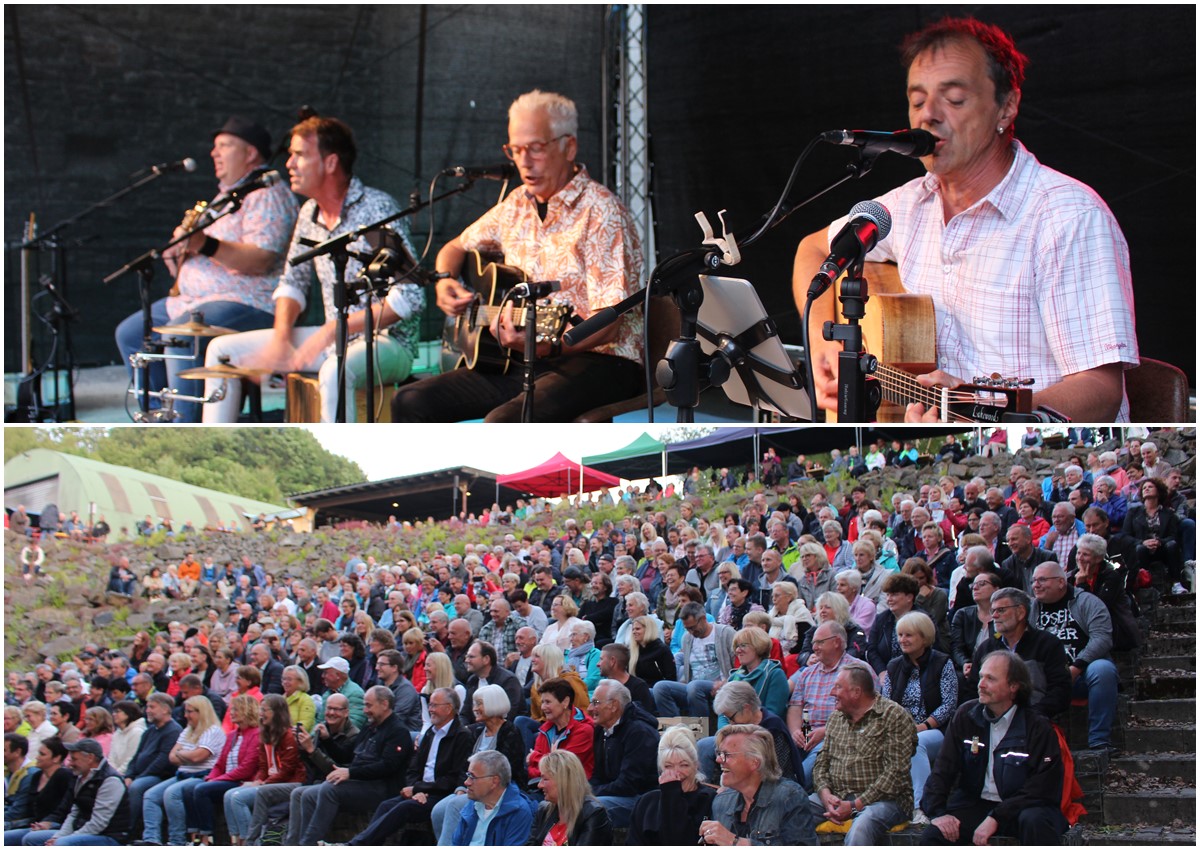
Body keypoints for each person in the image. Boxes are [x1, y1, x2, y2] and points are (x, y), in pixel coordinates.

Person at [793, 16, 1137, 422]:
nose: (929, 116)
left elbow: (1099, 391)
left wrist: (987, 414)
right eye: (917, 101)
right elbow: (813, 249)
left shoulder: (1068, 218)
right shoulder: (909, 205)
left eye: (954, 100)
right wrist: (824, 346)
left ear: (1006, 107)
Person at [392, 88, 644, 422]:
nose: (524, 161)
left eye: (536, 149)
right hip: (521, 358)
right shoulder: (515, 205)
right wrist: (444, 281)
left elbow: (608, 324)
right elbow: (455, 247)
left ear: (569, 147)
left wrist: (547, 347)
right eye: (515, 150)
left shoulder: (602, 213)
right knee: (409, 400)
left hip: (601, 360)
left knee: (504, 422)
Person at [203, 115, 423, 423]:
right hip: (334, 338)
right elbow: (293, 280)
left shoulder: (375, 208)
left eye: (300, 155)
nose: (289, 164)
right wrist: (281, 340)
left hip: (388, 342)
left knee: (335, 369)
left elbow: (411, 297)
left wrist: (331, 330)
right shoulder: (309, 212)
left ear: (331, 162)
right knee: (220, 351)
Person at [114, 116, 298, 422]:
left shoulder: (267, 194)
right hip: (191, 301)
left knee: (181, 336)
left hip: (248, 300)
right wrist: (178, 256)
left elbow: (261, 259)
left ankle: (188, 422)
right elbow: (195, 258)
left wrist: (204, 244)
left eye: (224, 146)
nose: (214, 153)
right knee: (131, 334)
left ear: (251, 153)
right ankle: (161, 418)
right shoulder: (224, 198)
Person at [919, 651, 1067, 845]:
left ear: (1013, 686)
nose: (981, 684)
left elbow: (1042, 787)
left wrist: (997, 816)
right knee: (935, 835)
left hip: (1022, 806)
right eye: (981, 677)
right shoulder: (966, 715)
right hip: (975, 802)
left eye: (990, 679)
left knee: (1036, 822)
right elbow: (943, 769)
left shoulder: (1037, 726)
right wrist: (937, 813)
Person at [341, 687, 470, 846]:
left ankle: (354, 846)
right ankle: (362, 844)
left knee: (404, 808)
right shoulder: (431, 732)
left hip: (441, 794)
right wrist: (415, 788)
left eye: (434, 705)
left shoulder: (462, 736)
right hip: (420, 790)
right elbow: (413, 768)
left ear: (449, 708)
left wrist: (421, 790)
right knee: (386, 805)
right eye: (430, 705)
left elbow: (453, 777)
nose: (430, 710)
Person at [808, 665, 916, 845]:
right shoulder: (836, 717)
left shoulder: (893, 716)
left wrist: (854, 805)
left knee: (861, 827)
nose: (832, 693)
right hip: (837, 795)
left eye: (838, 687)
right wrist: (825, 795)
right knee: (793, 812)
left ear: (856, 692)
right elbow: (821, 762)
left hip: (885, 801)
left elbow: (896, 773)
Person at [294, 685, 415, 844]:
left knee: (329, 789)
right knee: (305, 794)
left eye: (368, 705)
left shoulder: (398, 731)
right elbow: (346, 755)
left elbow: (388, 767)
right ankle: (298, 843)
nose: (365, 710)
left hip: (381, 787)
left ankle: (308, 844)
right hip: (359, 782)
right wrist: (327, 740)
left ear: (384, 704)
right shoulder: (370, 727)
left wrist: (350, 773)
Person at [1028, 562, 1119, 751]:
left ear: (1061, 582)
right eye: (1034, 580)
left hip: (1082, 675)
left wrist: (1076, 667)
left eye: (1042, 580)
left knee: (1102, 669)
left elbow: (1102, 638)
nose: (1036, 585)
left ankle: (1099, 741)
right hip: (1046, 677)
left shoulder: (1087, 602)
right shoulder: (1031, 608)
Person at [879, 612, 958, 822]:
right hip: (900, 729)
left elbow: (949, 704)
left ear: (924, 637)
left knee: (916, 743)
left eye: (909, 635)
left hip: (936, 730)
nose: (902, 640)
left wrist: (922, 726)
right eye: (900, 635)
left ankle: (921, 807)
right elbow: (885, 703)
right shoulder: (894, 666)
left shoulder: (942, 663)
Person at [430, 683, 528, 844]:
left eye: (479, 703)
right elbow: (464, 767)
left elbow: (506, 771)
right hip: (473, 786)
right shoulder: (475, 731)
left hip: (499, 789)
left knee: (454, 806)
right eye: (475, 703)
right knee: (438, 811)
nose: (474, 708)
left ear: (493, 703)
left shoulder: (510, 732)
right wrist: (462, 788)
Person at [701, 723, 816, 846]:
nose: (718, 760)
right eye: (719, 754)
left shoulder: (789, 797)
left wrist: (735, 842)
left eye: (726, 755)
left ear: (754, 762)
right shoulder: (721, 802)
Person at [968, 588, 1071, 720]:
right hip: (992, 722)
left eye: (1001, 610)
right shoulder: (986, 648)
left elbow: (1060, 691)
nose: (994, 616)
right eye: (992, 611)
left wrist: (1032, 715)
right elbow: (972, 690)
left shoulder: (1048, 644)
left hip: (1036, 721)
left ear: (1021, 612)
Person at [139, 695, 225, 846]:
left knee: (172, 794)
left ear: (201, 712)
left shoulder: (213, 731)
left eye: (190, 712)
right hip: (182, 774)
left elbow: (198, 757)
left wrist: (182, 754)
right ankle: (151, 839)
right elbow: (171, 757)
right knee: (151, 795)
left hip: (202, 775)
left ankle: (176, 840)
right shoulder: (187, 730)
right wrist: (186, 755)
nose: (185, 715)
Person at [179, 694, 261, 846]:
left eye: (235, 709)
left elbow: (246, 769)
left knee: (202, 790)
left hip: (242, 781)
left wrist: (217, 780)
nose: (231, 712)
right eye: (231, 709)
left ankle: (207, 838)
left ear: (247, 710)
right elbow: (219, 764)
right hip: (226, 778)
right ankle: (195, 837)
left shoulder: (256, 734)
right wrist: (212, 777)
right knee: (188, 789)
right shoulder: (231, 735)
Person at [17, 739, 132, 846]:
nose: (70, 764)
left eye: (74, 759)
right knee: (30, 839)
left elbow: (98, 824)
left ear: (90, 758)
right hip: (81, 831)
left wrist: (62, 839)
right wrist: (58, 836)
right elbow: (74, 813)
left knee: (61, 844)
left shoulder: (110, 781)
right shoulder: (80, 777)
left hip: (108, 836)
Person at [585, 679, 660, 827]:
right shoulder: (601, 729)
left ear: (613, 705)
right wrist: (586, 790)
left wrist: (590, 792)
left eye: (596, 702)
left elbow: (629, 784)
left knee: (591, 807)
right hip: (617, 794)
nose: (589, 708)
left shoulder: (639, 732)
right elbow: (597, 775)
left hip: (642, 799)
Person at [628, 726, 718, 845]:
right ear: (661, 769)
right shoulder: (646, 803)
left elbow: (678, 841)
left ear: (696, 765)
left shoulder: (709, 800)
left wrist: (671, 794)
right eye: (669, 766)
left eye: (684, 765)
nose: (677, 774)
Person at [653, 602, 735, 718]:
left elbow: (740, 667)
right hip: (693, 686)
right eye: (687, 629)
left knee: (694, 686)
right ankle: (675, 729)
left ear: (703, 619)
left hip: (720, 685)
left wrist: (726, 681)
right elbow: (689, 671)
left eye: (692, 627)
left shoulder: (725, 633)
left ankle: (700, 729)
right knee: (660, 687)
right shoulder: (687, 638)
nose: (691, 632)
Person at [447, 749, 538, 846]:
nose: (466, 782)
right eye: (468, 775)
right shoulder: (473, 803)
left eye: (473, 777)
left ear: (494, 781)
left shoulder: (519, 812)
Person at [529, 749, 614, 845]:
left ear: (564, 781)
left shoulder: (593, 814)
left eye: (545, 779)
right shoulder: (543, 810)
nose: (539, 785)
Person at [3, 738, 73, 844]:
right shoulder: (37, 776)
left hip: (55, 825)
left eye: (42, 754)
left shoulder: (64, 776)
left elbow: (65, 808)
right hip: (32, 823)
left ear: (56, 758)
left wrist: (48, 823)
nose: (37, 757)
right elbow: (26, 806)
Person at [1123, 477, 1186, 594]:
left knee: (1172, 545)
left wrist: (1159, 541)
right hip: (1142, 548)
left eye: (1150, 487)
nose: (1146, 489)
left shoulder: (1169, 513)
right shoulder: (1133, 512)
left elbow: (1173, 536)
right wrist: (1142, 542)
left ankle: (1176, 583)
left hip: (1162, 548)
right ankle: (1144, 583)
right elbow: (1126, 536)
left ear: (1158, 491)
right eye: (1144, 488)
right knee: (1140, 549)